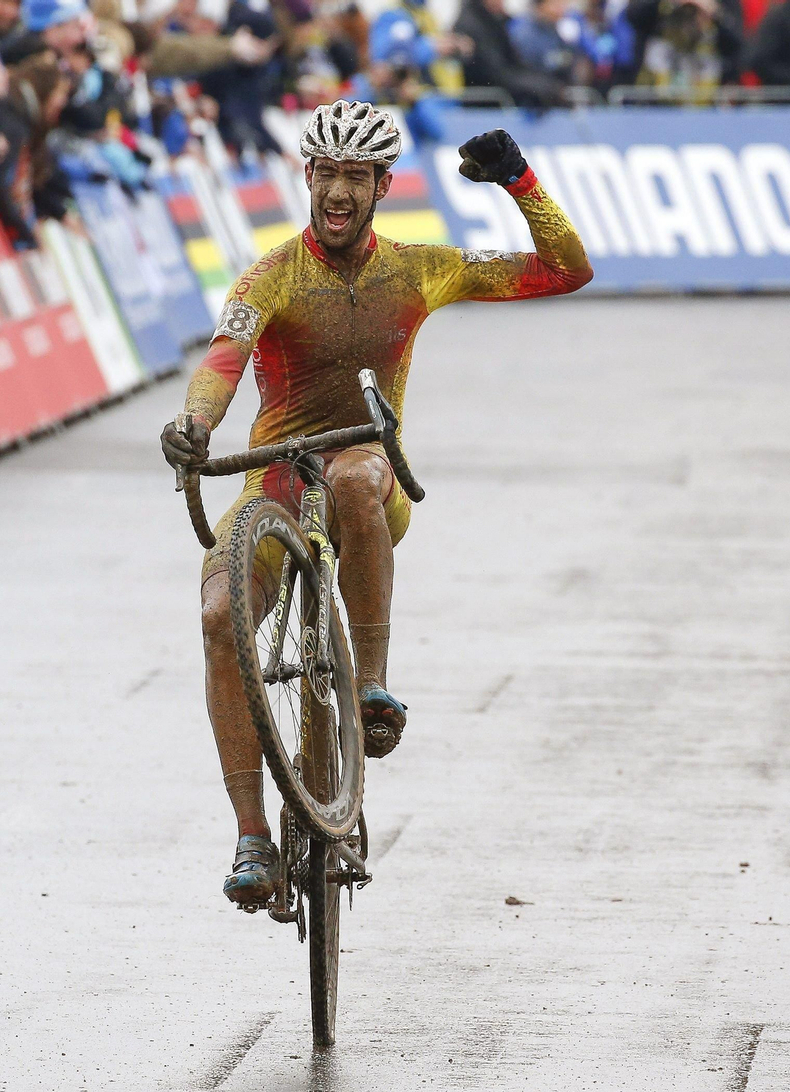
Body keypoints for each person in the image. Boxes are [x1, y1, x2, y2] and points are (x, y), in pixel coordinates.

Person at [159, 101, 592, 905]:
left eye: (355, 176)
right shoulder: (272, 276)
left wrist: (520, 183)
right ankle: (253, 837)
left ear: (383, 184)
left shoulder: (419, 268)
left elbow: (566, 270)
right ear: (308, 176)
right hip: (275, 477)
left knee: (357, 479)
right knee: (221, 615)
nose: (336, 190)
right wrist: (193, 424)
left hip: (369, 476)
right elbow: (222, 359)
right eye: (325, 173)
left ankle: (372, 689)